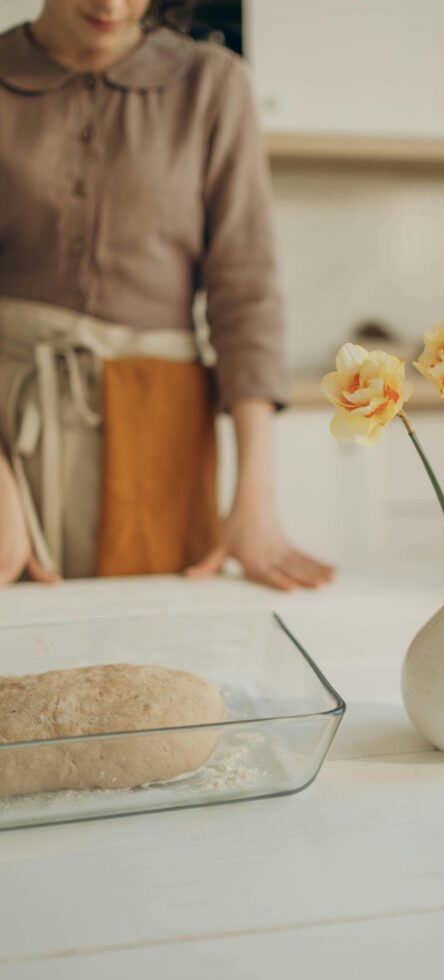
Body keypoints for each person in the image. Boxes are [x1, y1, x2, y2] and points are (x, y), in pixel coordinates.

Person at [0, 0, 335, 592]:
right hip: (10, 420)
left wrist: (253, 498)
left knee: (153, 662)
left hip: (162, 428)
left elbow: (246, 292)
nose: (111, 5)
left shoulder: (214, 84)